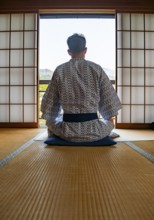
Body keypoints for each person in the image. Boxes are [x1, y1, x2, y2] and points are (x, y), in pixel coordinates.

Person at [41, 33, 121, 142]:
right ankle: (104, 133)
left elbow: (49, 104)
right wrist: (108, 116)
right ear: (85, 50)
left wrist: (51, 117)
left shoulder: (60, 70)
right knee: (110, 122)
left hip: (66, 131)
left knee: (51, 122)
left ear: (69, 52)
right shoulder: (96, 68)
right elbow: (109, 101)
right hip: (94, 131)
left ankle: (56, 133)